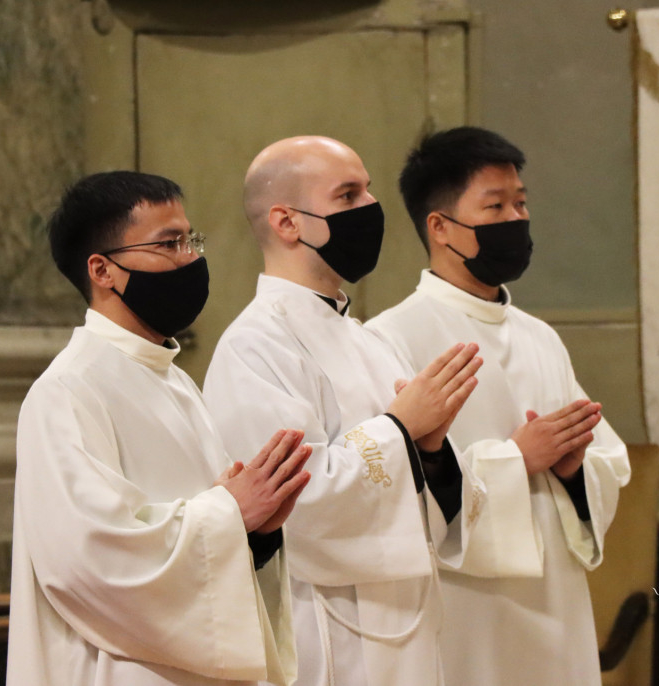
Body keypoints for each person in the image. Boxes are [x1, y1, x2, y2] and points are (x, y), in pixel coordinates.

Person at [7, 171, 312, 686]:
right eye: (169, 244)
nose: (190, 258)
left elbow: (209, 534)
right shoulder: (67, 391)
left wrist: (256, 531)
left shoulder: (174, 381)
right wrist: (231, 511)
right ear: (102, 270)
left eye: (191, 240)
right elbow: (90, 560)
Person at [202, 136, 486, 686]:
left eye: (368, 191)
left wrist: (431, 450)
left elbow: (436, 513)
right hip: (329, 628)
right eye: (348, 195)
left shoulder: (368, 340)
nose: (371, 208)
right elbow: (295, 504)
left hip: (408, 622)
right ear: (287, 222)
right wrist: (401, 428)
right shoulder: (255, 346)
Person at [365, 126, 631, 686]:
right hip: (467, 611)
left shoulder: (540, 337)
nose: (516, 219)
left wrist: (574, 470)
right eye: (495, 206)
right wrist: (517, 459)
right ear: (440, 227)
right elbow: (391, 487)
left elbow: (608, 463)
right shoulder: (391, 338)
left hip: (557, 600)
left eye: (521, 203)